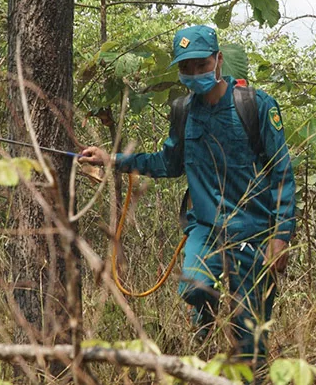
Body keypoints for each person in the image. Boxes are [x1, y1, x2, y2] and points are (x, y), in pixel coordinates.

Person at [80, 25, 296, 366]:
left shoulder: (254, 105)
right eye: (186, 68)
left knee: (250, 344)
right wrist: (112, 160)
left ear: (219, 60)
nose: (194, 74)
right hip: (205, 231)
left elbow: (282, 171)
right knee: (194, 288)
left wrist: (281, 236)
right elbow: (168, 163)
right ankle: (204, 323)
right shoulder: (183, 112)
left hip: (254, 234)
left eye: (202, 65)